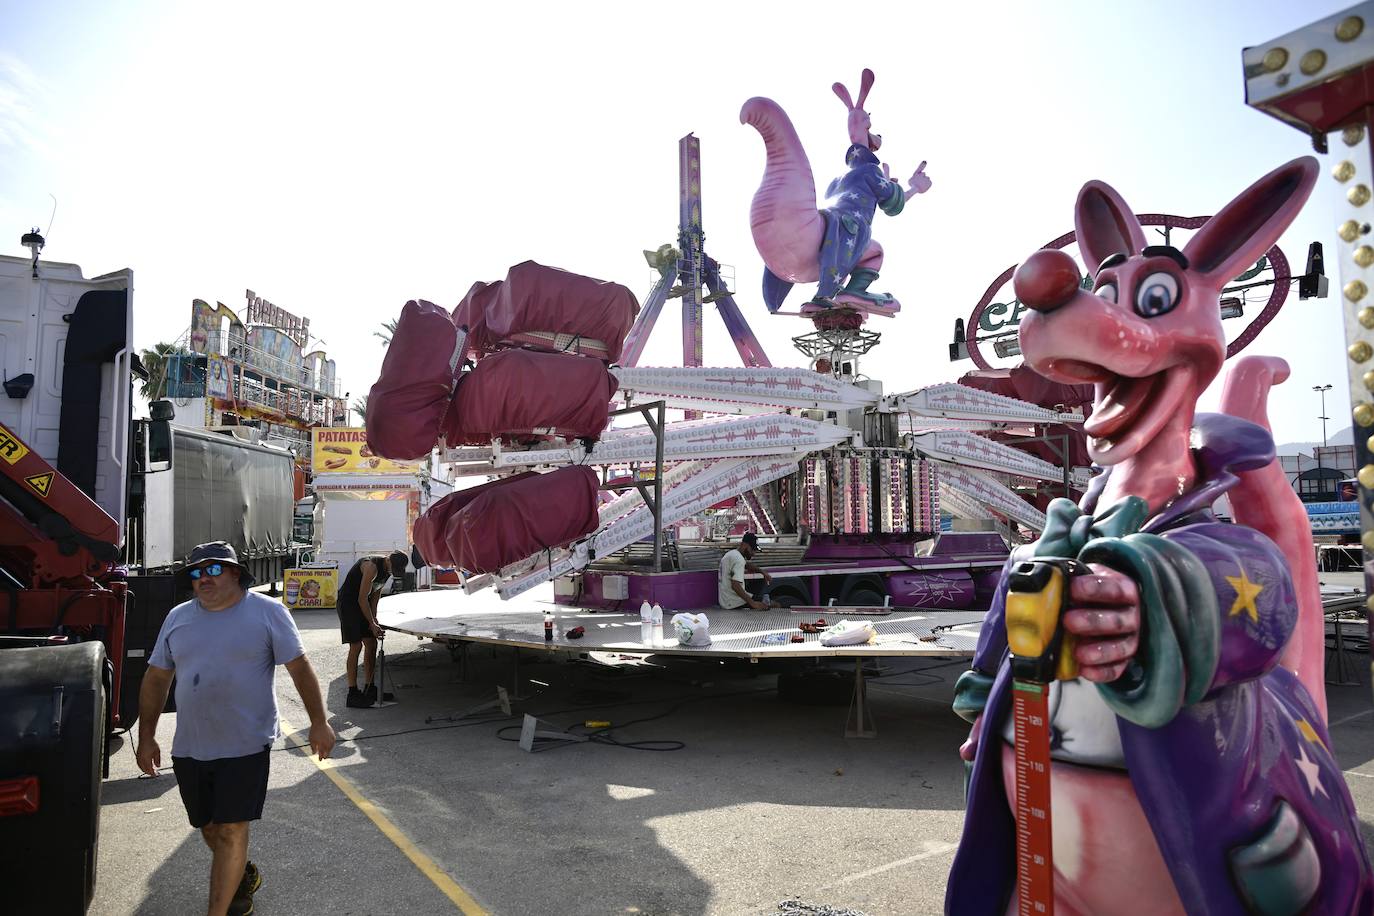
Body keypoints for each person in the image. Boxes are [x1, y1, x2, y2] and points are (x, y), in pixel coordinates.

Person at [136, 541, 334, 916]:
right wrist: (146, 738)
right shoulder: (177, 617)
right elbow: (156, 679)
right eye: (195, 573)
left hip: (246, 743)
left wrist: (318, 722)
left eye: (212, 570)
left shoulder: (268, 613)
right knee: (209, 828)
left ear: (235, 573)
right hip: (191, 746)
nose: (202, 579)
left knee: (230, 830)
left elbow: (300, 668)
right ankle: (242, 874)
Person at [337, 550, 408, 708]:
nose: (392, 572)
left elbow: (375, 596)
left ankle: (370, 689)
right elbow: (362, 598)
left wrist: (374, 621)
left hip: (363, 605)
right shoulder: (371, 566)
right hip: (349, 604)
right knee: (356, 646)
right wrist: (371, 622)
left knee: (372, 644)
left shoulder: (388, 570)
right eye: (392, 568)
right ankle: (353, 693)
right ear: (388, 560)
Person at [718, 532, 772, 611]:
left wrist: (762, 571)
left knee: (763, 600)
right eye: (752, 549)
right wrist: (753, 604)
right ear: (744, 545)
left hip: (726, 600)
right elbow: (735, 585)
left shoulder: (732, 554)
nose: (753, 553)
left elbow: (747, 565)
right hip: (735, 602)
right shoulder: (739, 559)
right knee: (771, 604)